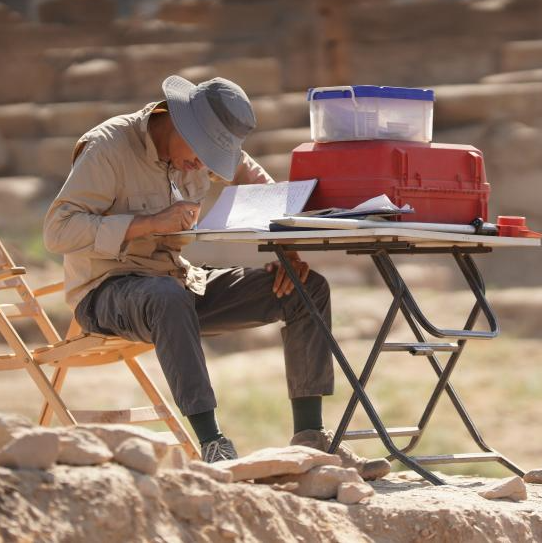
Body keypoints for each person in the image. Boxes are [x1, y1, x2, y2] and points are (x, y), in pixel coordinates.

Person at [43, 75, 389, 479]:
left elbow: (256, 180)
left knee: (306, 289)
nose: (203, 167)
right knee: (165, 296)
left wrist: (288, 253)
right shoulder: (108, 147)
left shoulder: (200, 152)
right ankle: (212, 444)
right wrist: (149, 223)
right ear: (175, 122)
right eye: (201, 154)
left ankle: (310, 436)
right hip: (108, 291)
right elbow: (57, 231)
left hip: (179, 281)